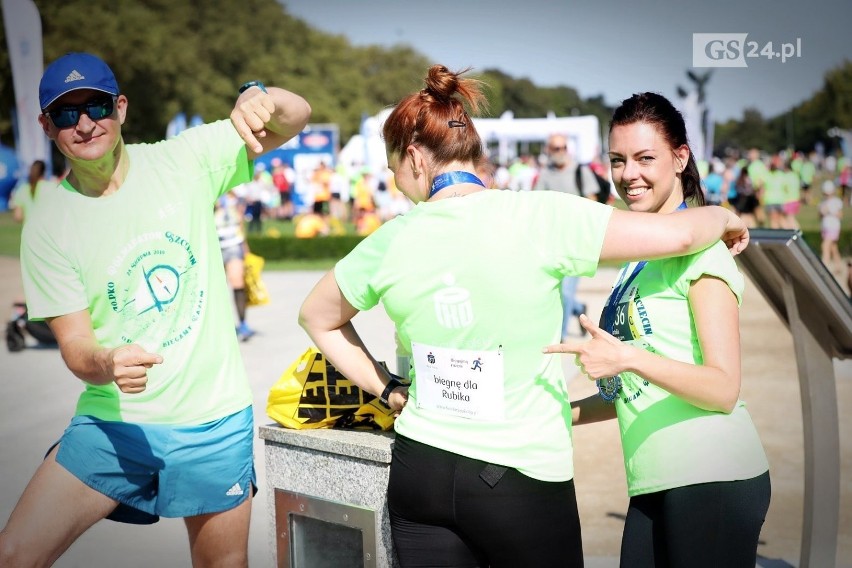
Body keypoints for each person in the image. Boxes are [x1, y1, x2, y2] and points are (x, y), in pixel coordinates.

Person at [297, 65, 749, 568]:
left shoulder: (389, 239)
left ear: (417, 158)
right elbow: (681, 237)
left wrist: (386, 388)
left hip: (421, 465)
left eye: (393, 168)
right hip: (520, 475)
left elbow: (317, 317)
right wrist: (728, 217)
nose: (395, 181)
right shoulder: (542, 214)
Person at [0, 52, 311, 567]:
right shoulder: (48, 223)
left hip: (213, 419)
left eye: (95, 106)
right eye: (65, 114)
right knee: (15, 554)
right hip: (113, 426)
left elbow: (295, 117)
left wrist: (265, 98)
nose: (83, 124)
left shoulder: (183, 159)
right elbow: (75, 346)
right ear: (45, 126)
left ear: (120, 108)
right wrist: (106, 363)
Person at [545, 92, 770, 568]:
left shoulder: (703, 254)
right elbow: (630, 390)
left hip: (714, 476)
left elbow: (723, 387)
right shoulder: (641, 257)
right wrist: (554, 414)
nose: (629, 174)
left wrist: (627, 357)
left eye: (646, 158)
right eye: (618, 160)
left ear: (680, 157)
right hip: (655, 479)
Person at [534, 133, 600, 340]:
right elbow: (537, 202)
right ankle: (579, 309)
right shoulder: (545, 173)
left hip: (575, 241)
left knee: (565, 292)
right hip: (552, 241)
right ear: (548, 150)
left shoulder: (580, 171)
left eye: (563, 148)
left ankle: (559, 335)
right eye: (556, 148)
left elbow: (592, 202)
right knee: (558, 291)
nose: (560, 152)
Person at [215, 190, 255, 341]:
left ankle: (243, 324)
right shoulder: (210, 197)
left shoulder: (235, 197)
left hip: (233, 246)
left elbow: (240, 224)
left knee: (237, 283)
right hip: (215, 247)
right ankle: (220, 326)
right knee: (217, 288)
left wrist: (245, 248)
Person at [819, 179, 844, 274]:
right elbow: (820, 216)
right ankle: (839, 266)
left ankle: (824, 267)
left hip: (833, 227)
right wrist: (822, 212)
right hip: (825, 227)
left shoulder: (836, 202)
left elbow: (840, 215)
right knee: (833, 247)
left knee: (825, 246)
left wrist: (830, 211)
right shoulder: (822, 202)